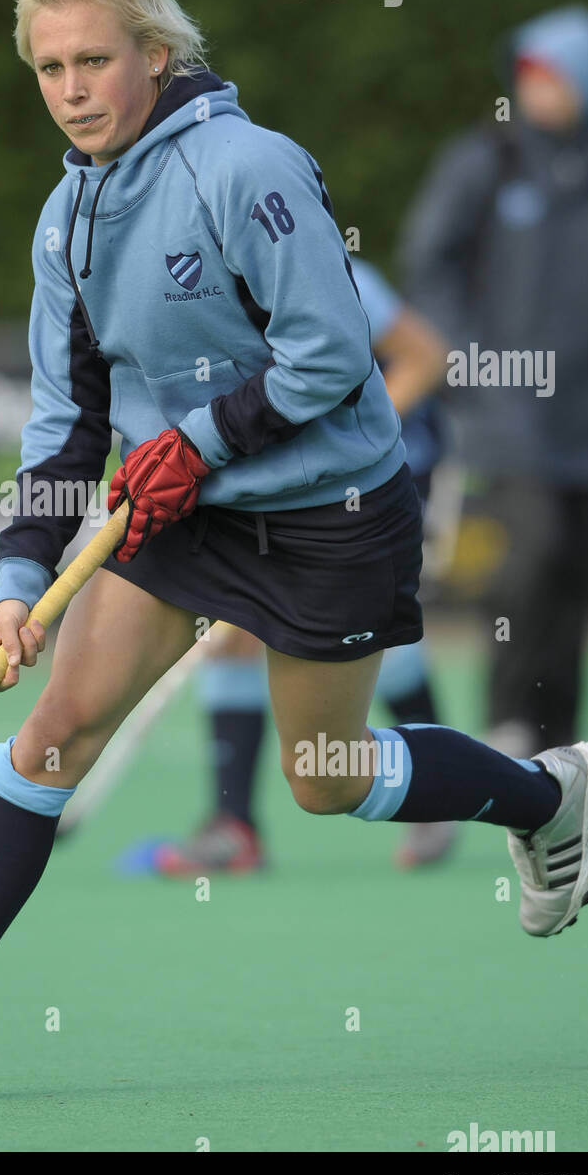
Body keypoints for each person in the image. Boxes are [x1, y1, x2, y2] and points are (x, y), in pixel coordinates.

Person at [0, 0, 588, 1101]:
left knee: (323, 778)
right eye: (47, 67)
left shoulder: (246, 169)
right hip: (182, 513)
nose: (71, 89)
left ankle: (546, 795)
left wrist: (199, 442)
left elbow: (331, 355)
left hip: (331, 509)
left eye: (93, 61)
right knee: (52, 734)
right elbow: (66, 421)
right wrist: (19, 582)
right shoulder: (65, 220)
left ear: (156, 57)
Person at [149, 256, 457, 877]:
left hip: (364, 483)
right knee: (234, 637)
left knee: (370, 639)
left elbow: (425, 356)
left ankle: (440, 797)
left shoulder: (330, 274)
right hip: (261, 492)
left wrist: (354, 432)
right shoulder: (185, 290)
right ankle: (233, 825)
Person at [399, 5, 588, 762]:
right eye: (527, 75)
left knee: (575, 573)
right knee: (526, 560)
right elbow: (429, 266)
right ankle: (507, 722)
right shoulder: (484, 162)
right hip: (503, 415)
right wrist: (464, 364)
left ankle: (559, 740)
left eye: (552, 76)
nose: (537, 90)